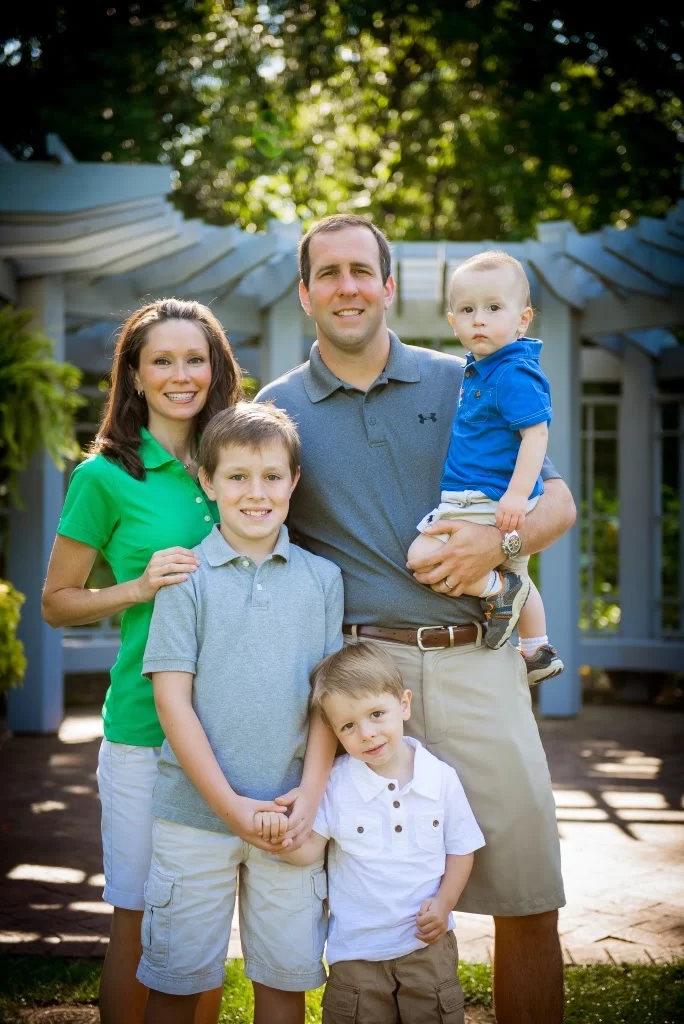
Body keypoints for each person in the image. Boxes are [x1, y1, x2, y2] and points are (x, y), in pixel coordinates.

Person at [256, 213, 576, 1024]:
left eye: (362, 271)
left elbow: (559, 502)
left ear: (389, 285)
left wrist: (488, 546)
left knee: (528, 892)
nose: (347, 287)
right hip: (362, 681)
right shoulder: (278, 409)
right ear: (304, 293)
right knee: (366, 905)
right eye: (327, 274)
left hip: (477, 660)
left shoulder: (467, 374)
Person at [41, 298, 244, 1024]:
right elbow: (57, 602)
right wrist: (136, 587)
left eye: (196, 358)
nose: (181, 374)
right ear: (133, 375)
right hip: (141, 730)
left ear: (217, 368)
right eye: (162, 360)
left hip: (239, 730)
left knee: (204, 921)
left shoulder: (243, 461)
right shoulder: (103, 477)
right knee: (136, 911)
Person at [137, 402, 343, 1024]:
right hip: (195, 819)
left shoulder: (323, 579)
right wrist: (231, 808)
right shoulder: (186, 578)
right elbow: (172, 700)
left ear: (294, 482)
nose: (257, 493)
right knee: (177, 984)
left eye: (272, 477)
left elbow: (327, 699)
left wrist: (310, 795)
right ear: (207, 480)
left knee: (284, 985)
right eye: (237, 477)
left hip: (288, 815)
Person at [275, 641, 485, 1024]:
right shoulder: (336, 785)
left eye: (376, 714)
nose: (367, 734)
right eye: (349, 726)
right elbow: (310, 851)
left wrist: (445, 903)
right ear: (335, 732)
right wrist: (282, 840)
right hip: (357, 953)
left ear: (403, 704)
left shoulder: (440, 778)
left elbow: (462, 849)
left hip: (425, 944)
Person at [408, 250, 564, 683]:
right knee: (517, 567)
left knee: (423, 557)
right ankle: (537, 651)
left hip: (486, 497)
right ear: (452, 321)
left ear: (523, 318)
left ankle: (499, 592)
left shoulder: (513, 372)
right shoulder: (481, 370)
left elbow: (536, 435)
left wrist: (516, 496)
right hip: (492, 498)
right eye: (467, 310)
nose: (479, 319)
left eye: (494, 308)